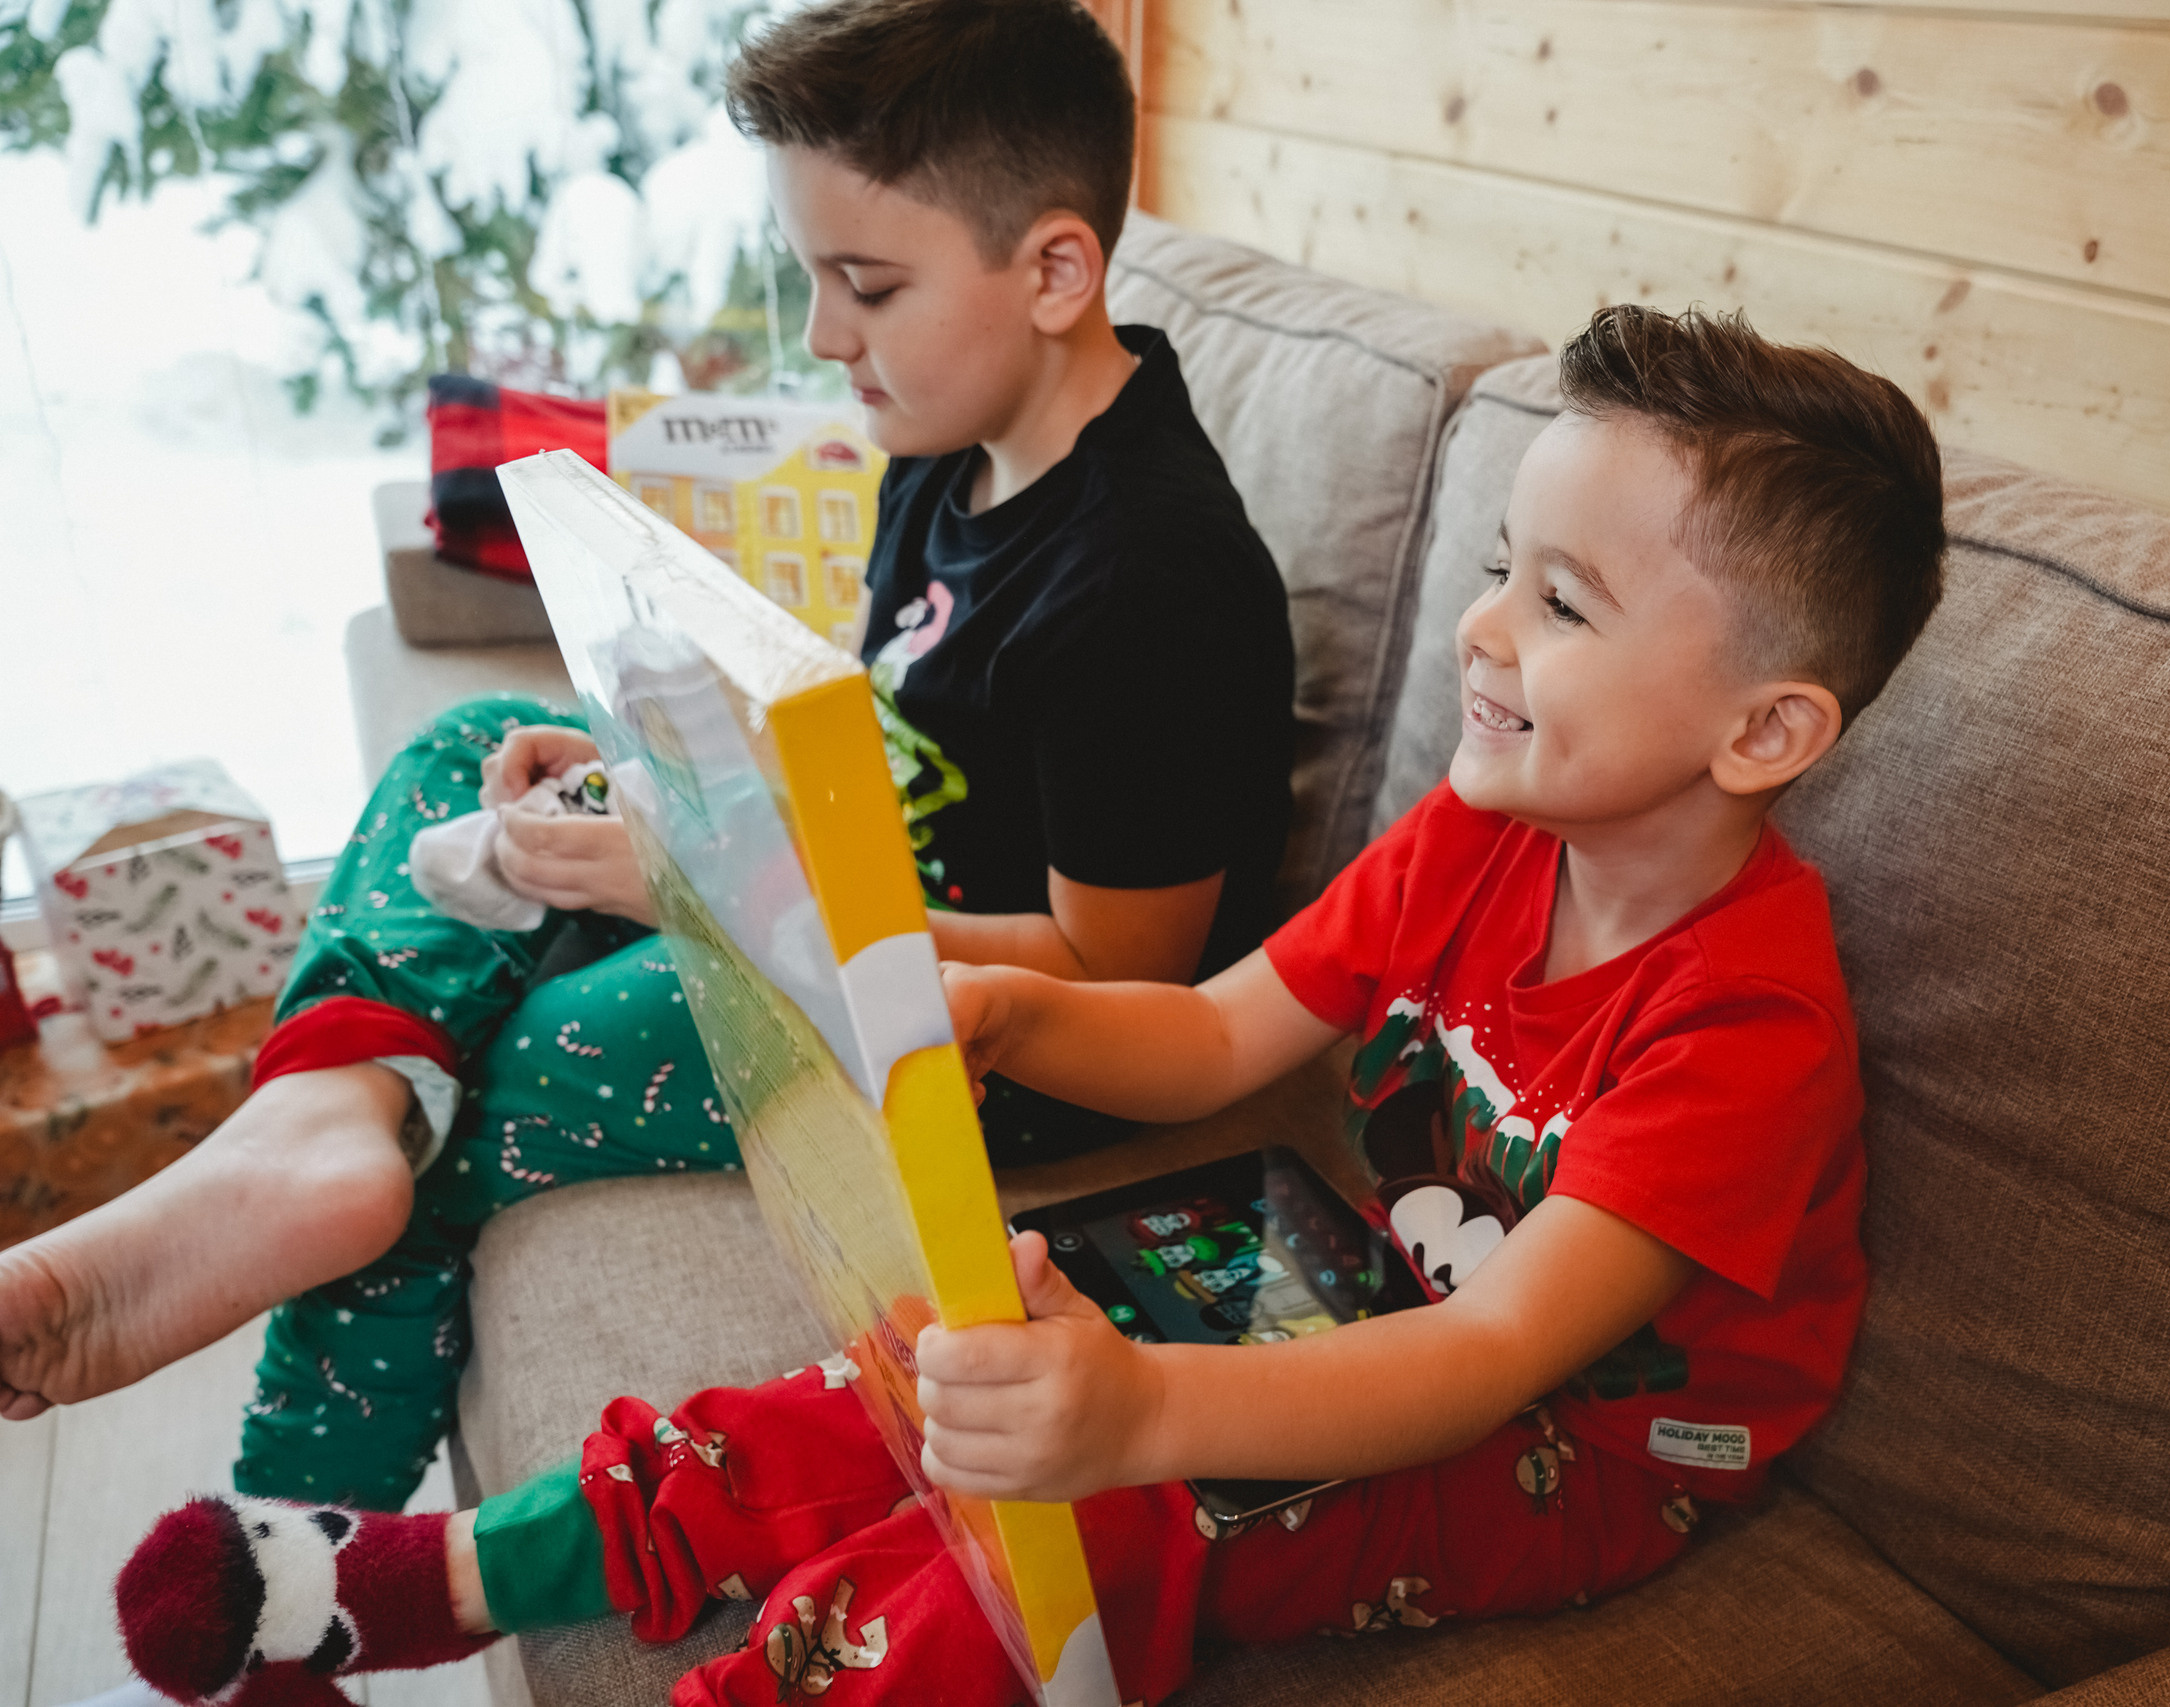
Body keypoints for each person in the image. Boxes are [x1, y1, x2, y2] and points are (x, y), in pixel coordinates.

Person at [112, 300, 1947, 1707]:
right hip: (1361, 1278)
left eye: (1562, 602)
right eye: (1494, 576)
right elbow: (1227, 1034)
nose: (1484, 635)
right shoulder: (1482, 831)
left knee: (1083, 1508)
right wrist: (993, 1007)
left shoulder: (1745, 1028)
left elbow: (1489, 1363)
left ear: (1765, 731)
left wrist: (1146, 1417)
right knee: (943, 1367)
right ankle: (436, 1578)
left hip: (1586, 1447)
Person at [0, 0, 1295, 1514]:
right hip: (846, 903)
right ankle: (322, 1112)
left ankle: (292, 1569)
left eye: (865, 287)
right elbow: (883, 739)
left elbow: (1118, 980)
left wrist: (704, 882)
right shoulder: (952, 441)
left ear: (1057, 270)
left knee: (505, 1078)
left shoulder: (1151, 582)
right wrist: (677, 784)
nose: (822, 337)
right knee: (472, 744)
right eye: (810, 276)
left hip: (981, 1040)